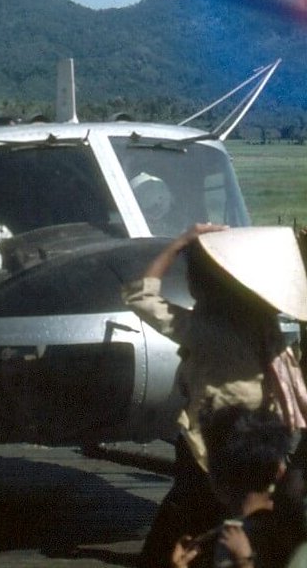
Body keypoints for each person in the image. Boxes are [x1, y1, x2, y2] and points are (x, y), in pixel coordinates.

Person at [123, 224, 307, 568]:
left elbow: (140, 296)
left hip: (211, 443)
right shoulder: (268, 329)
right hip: (260, 440)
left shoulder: (206, 332)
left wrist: (178, 243)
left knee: (182, 519)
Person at [170, 405, 298, 568]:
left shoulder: (227, 543)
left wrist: (244, 561)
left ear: (216, 484)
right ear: (280, 471)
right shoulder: (291, 527)